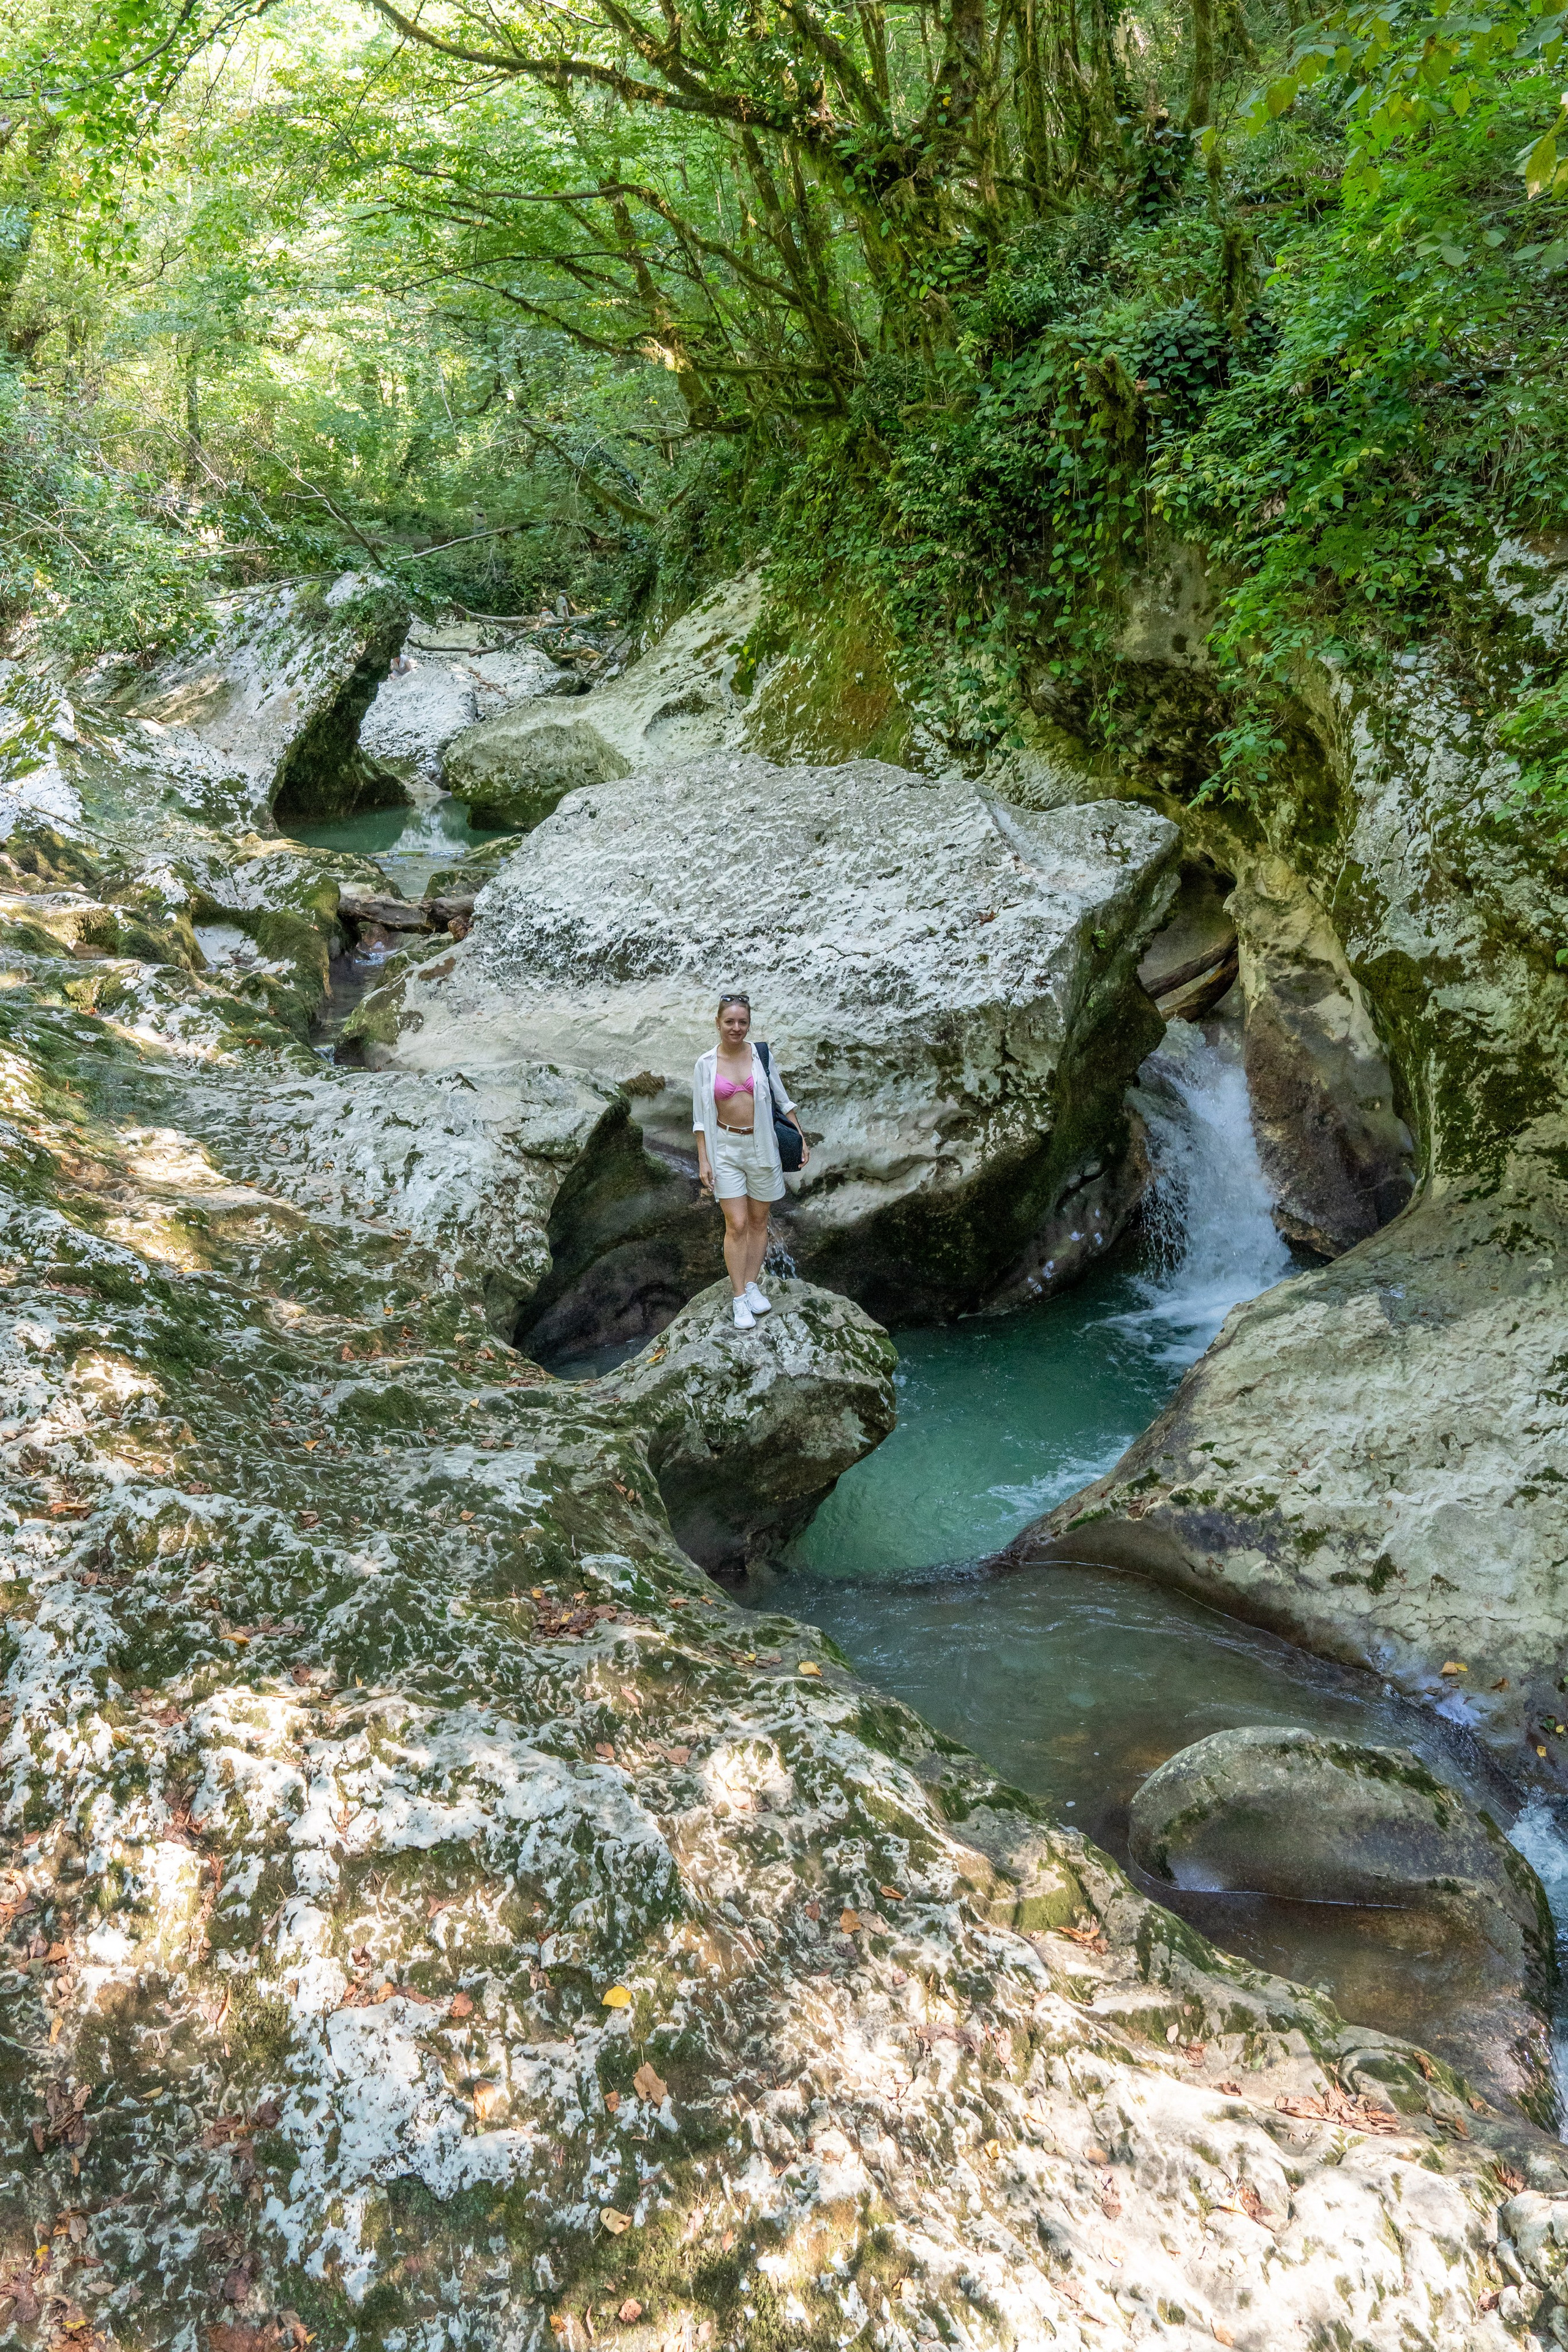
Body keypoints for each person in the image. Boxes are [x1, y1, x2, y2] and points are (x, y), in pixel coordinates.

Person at [692, 993, 810, 1330]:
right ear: (718, 1023)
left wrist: (800, 1137)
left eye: (742, 1022)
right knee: (737, 1224)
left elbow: (783, 1101)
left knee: (759, 1221)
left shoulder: (761, 1056)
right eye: (729, 1022)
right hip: (725, 1148)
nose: (736, 1028)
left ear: (749, 1024)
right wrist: (704, 1159)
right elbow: (700, 1118)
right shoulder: (706, 1064)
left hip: (762, 1147)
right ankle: (739, 1297)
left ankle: (754, 1284)